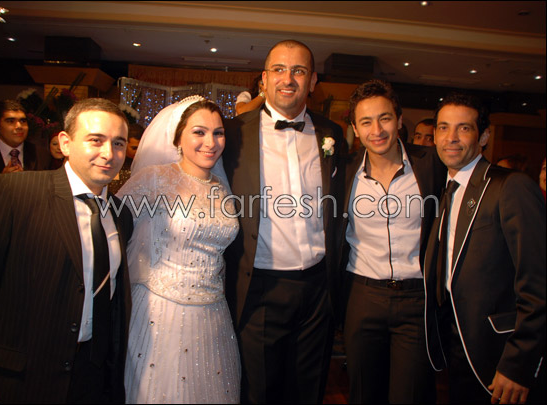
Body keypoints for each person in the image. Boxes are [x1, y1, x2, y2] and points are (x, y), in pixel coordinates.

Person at [223, 39, 347, 403]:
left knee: (309, 388)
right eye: (278, 69)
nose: (288, 79)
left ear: (313, 81)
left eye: (298, 71)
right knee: (259, 391)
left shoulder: (332, 134)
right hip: (260, 285)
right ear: (263, 79)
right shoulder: (233, 133)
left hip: (318, 287)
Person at [0, 98, 133, 403]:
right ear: (65, 143)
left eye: (118, 143)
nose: (109, 153)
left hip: (91, 378)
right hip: (20, 379)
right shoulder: (16, 192)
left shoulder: (120, 214)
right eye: (96, 140)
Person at [117, 96, 240, 404]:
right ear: (178, 138)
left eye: (218, 133)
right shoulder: (154, 179)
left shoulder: (222, 188)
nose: (210, 142)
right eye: (199, 132)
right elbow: (111, 229)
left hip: (213, 314)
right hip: (161, 313)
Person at [425, 93, 546, 404]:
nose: (451, 138)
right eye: (443, 128)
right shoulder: (445, 189)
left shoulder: (510, 186)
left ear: (484, 137)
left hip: (500, 355)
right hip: (458, 346)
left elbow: (538, 283)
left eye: (463, 128)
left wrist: (519, 364)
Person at [339, 79, 444, 403]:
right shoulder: (343, 172)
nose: (377, 130)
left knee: (411, 394)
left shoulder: (432, 165)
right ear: (355, 129)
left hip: (417, 298)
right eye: (366, 122)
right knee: (362, 392)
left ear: (399, 120)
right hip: (362, 296)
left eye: (384, 118)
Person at [0, 99, 51, 184]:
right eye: (10, 121)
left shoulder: (42, 155)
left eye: (23, 121)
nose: (19, 126)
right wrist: (0, 183)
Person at [108, 123, 143, 195]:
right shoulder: (114, 162)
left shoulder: (144, 165)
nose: (137, 152)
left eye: (140, 148)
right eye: (134, 148)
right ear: (124, 144)